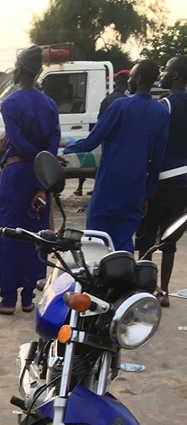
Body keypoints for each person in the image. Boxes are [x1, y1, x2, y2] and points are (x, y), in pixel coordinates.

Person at [0, 45, 60, 315]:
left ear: (20, 69)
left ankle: (6, 299)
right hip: (42, 178)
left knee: (9, 234)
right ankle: (28, 298)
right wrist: (45, 166)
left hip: (16, 177)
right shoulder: (50, 104)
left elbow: (18, 142)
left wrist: (36, 156)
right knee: (35, 236)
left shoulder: (11, 103)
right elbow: (52, 143)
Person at [64, 60, 169, 254]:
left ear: (137, 78)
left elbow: (90, 142)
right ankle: (122, 282)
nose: (128, 80)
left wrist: (66, 145)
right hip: (135, 190)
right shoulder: (161, 111)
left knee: (96, 241)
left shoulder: (120, 106)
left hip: (109, 187)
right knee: (123, 244)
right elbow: (157, 159)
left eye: (131, 76)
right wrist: (147, 195)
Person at [136, 55, 187, 306]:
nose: (162, 75)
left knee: (146, 236)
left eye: (166, 71)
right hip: (184, 185)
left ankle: (141, 288)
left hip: (161, 181)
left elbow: (154, 143)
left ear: (176, 76)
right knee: (170, 240)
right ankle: (164, 291)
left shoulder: (165, 105)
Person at [74, 70, 130, 197]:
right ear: (126, 85)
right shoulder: (126, 101)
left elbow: (100, 123)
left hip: (108, 142)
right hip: (122, 144)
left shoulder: (107, 100)